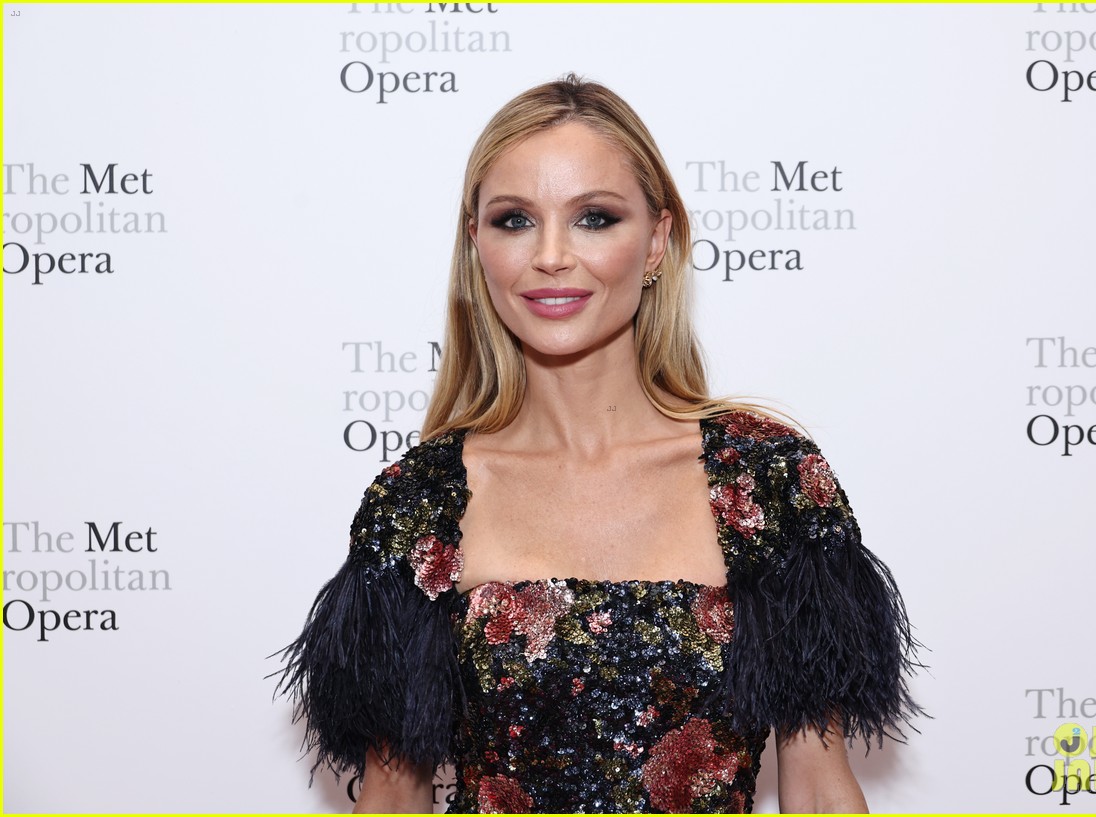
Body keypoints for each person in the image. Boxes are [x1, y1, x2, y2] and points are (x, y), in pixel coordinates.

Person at [278, 74, 922, 814]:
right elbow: (392, 797)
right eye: (515, 220)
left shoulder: (767, 479)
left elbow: (817, 790)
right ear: (477, 246)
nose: (551, 255)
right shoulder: (417, 503)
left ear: (657, 240)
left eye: (594, 217)